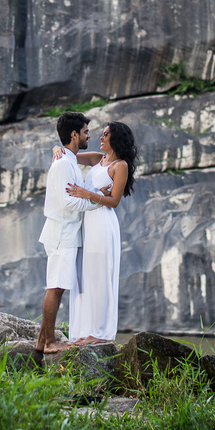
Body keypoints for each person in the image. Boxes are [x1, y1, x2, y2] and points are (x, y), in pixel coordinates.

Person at [53, 121, 137, 346]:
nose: (100, 137)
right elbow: (72, 155)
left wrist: (86, 193)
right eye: (100, 134)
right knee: (85, 276)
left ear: (116, 138)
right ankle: (83, 330)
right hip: (86, 224)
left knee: (100, 276)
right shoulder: (98, 159)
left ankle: (100, 332)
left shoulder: (120, 166)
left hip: (102, 224)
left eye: (106, 134)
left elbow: (114, 201)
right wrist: (57, 149)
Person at [36, 111, 102, 354]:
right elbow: (67, 203)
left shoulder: (69, 160)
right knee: (55, 286)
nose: (89, 135)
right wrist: (97, 202)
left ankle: (42, 341)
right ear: (74, 134)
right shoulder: (64, 163)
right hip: (62, 233)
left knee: (59, 285)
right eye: (85, 132)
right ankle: (50, 342)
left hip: (66, 232)